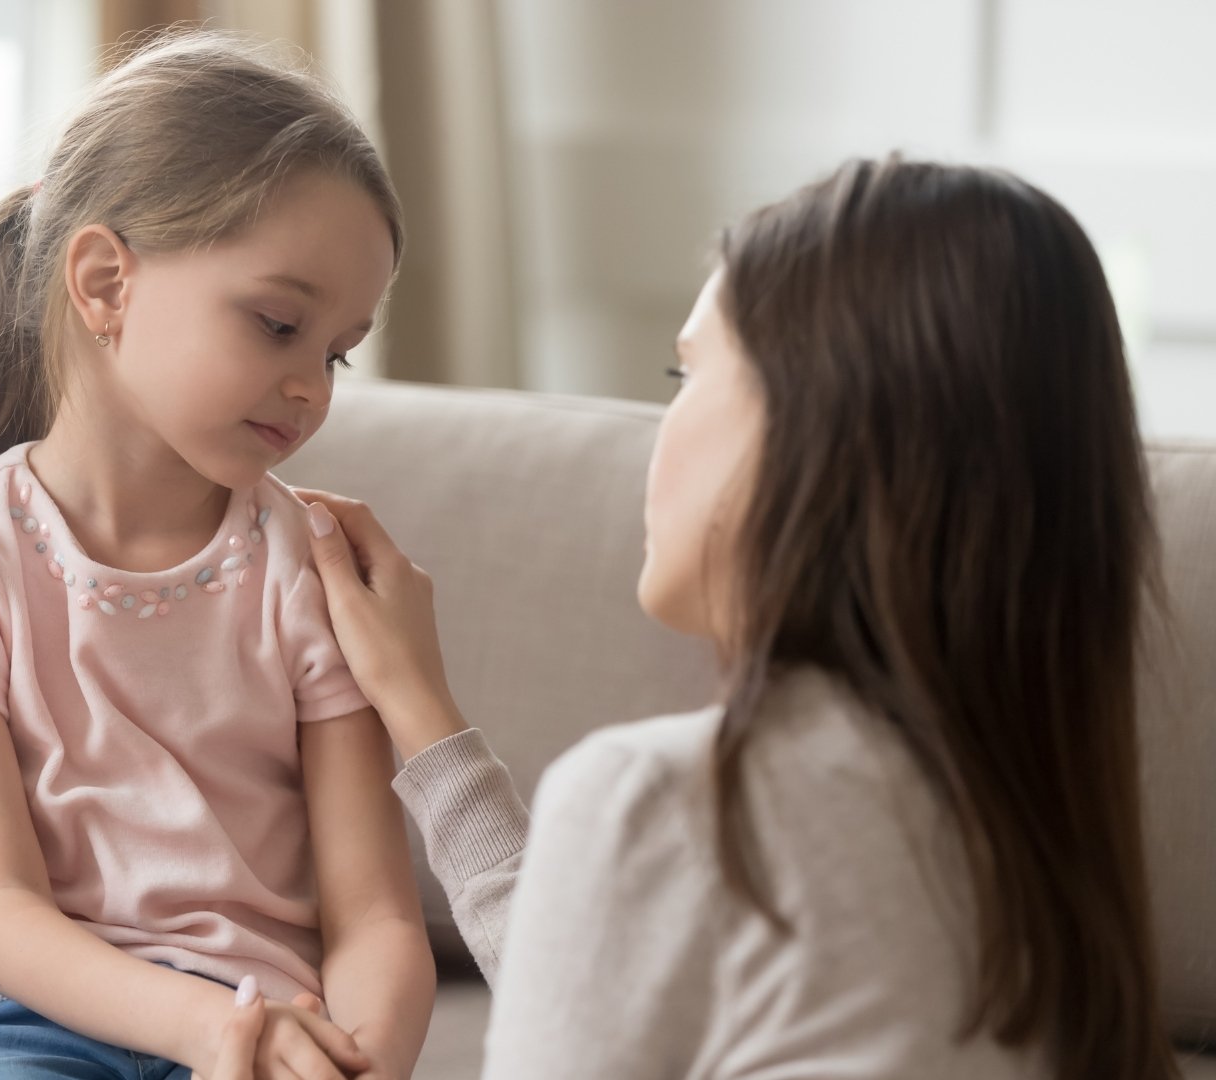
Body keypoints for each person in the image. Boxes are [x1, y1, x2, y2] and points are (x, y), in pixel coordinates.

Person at [250, 157, 1176, 1078]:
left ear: (814, 432)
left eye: (686, 374)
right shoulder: (1048, 846)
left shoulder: (666, 803)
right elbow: (606, 976)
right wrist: (422, 712)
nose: (663, 428)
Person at [0, 30, 434, 1080]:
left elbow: (376, 915)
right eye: (278, 323)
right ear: (106, 282)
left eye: (336, 350)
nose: (314, 387)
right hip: (19, 1016)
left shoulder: (308, 564)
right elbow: (4, 910)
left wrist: (364, 1061)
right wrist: (202, 1030)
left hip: (267, 1020)